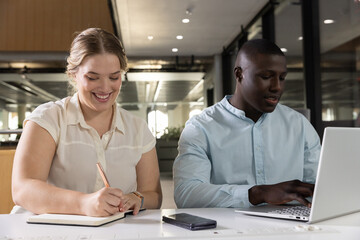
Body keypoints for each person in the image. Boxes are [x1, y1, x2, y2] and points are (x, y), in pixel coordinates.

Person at [11, 28, 162, 216]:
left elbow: (154, 195)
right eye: (92, 77)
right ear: (74, 74)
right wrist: (84, 203)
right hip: (51, 232)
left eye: (114, 77)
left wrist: (136, 197)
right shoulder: (48, 118)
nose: (105, 87)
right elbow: (23, 189)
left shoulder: (138, 128)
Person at [173, 38, 321, 208]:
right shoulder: (201, 128)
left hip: (294, 231)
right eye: (266, 76)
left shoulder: (299, 125)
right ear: (239, 74)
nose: (277, 87)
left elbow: (320, 186)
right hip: (228, 232)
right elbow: (186, 194)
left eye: (282, 78)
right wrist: (257, 193)